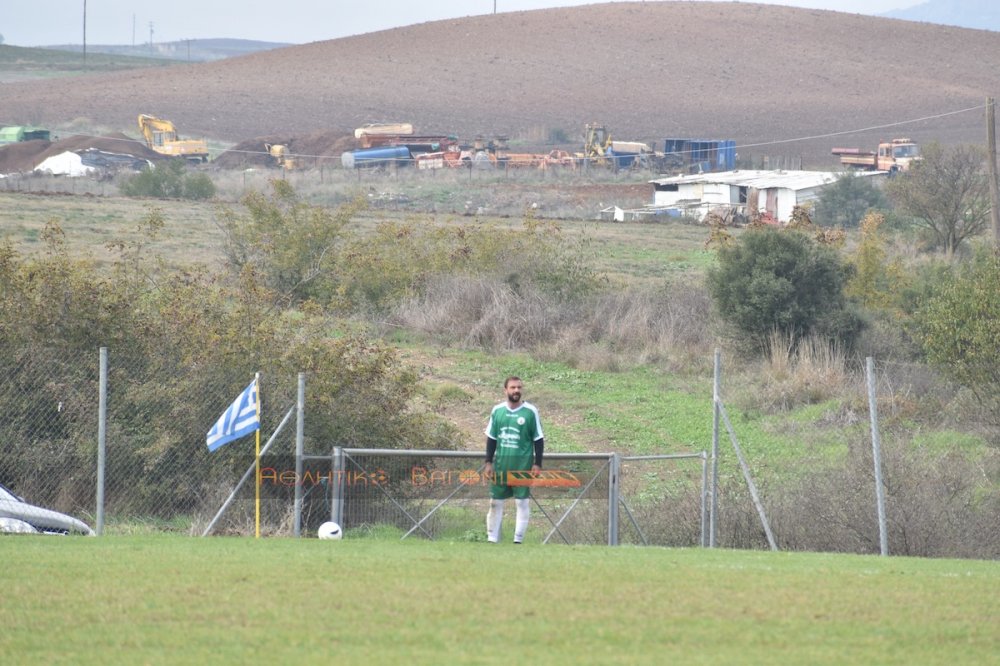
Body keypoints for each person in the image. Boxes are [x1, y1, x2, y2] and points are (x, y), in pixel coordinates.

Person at [483, 376, 544, 544]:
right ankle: (492, 540)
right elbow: (492, 438)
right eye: (513, 387)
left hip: (522, 467)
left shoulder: (530, 411)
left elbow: (538, 439)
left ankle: (518, 541)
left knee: (521, 503)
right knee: (495, 502)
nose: (516, 390)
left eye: (519, 387)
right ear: (506, 390)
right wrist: (488, 462)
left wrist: (537, 463)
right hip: (501, 466)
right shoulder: (497, 410)